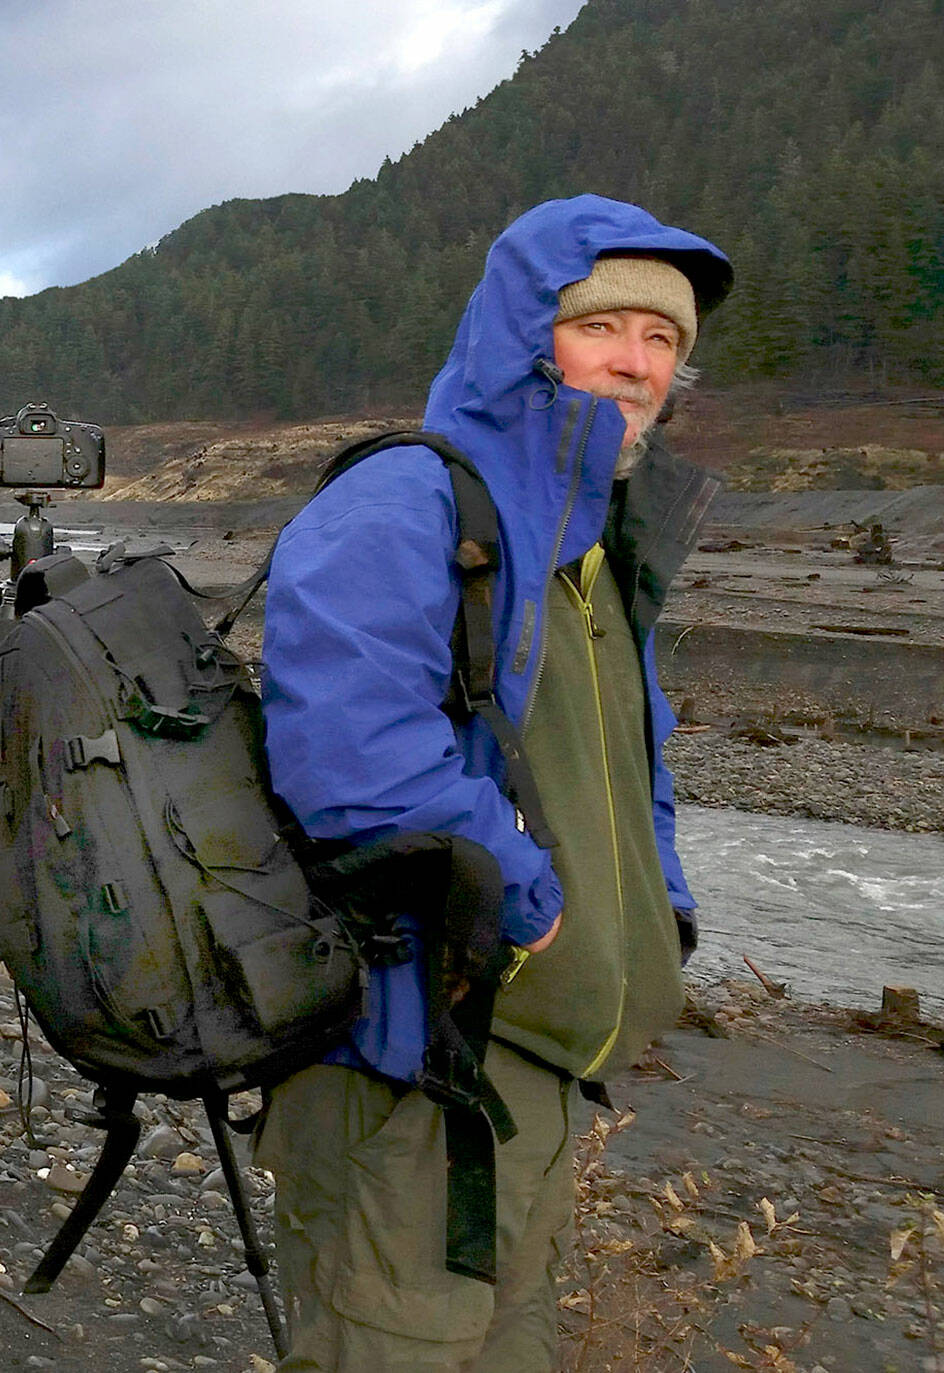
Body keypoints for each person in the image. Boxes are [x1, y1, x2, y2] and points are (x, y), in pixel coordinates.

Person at [256, 194, 733, 1371]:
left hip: (538, 1079)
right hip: (412, 1066)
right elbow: (351, 759)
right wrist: (529, 912)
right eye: (602, 325)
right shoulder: (406, 501)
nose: (633, 362)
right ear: (528, 335)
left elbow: (636, 765)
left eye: (660, 340)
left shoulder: (596, 549)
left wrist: (656, 917)